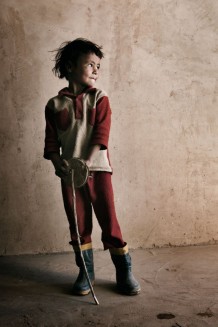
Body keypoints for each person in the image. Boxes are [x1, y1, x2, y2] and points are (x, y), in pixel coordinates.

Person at [43, 38, 140, 296]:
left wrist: (88, 160)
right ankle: (86, 273)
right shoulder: (54, 104)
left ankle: (124, 270)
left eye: (99, 66)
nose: (97, 70)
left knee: (109, 221)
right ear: (71, 66)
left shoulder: (99, 97)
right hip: (70, 175)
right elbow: (51, 142)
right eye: (91, 64)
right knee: (78, 224)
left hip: (98, 170)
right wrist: (57, 163)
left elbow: (101, 133)